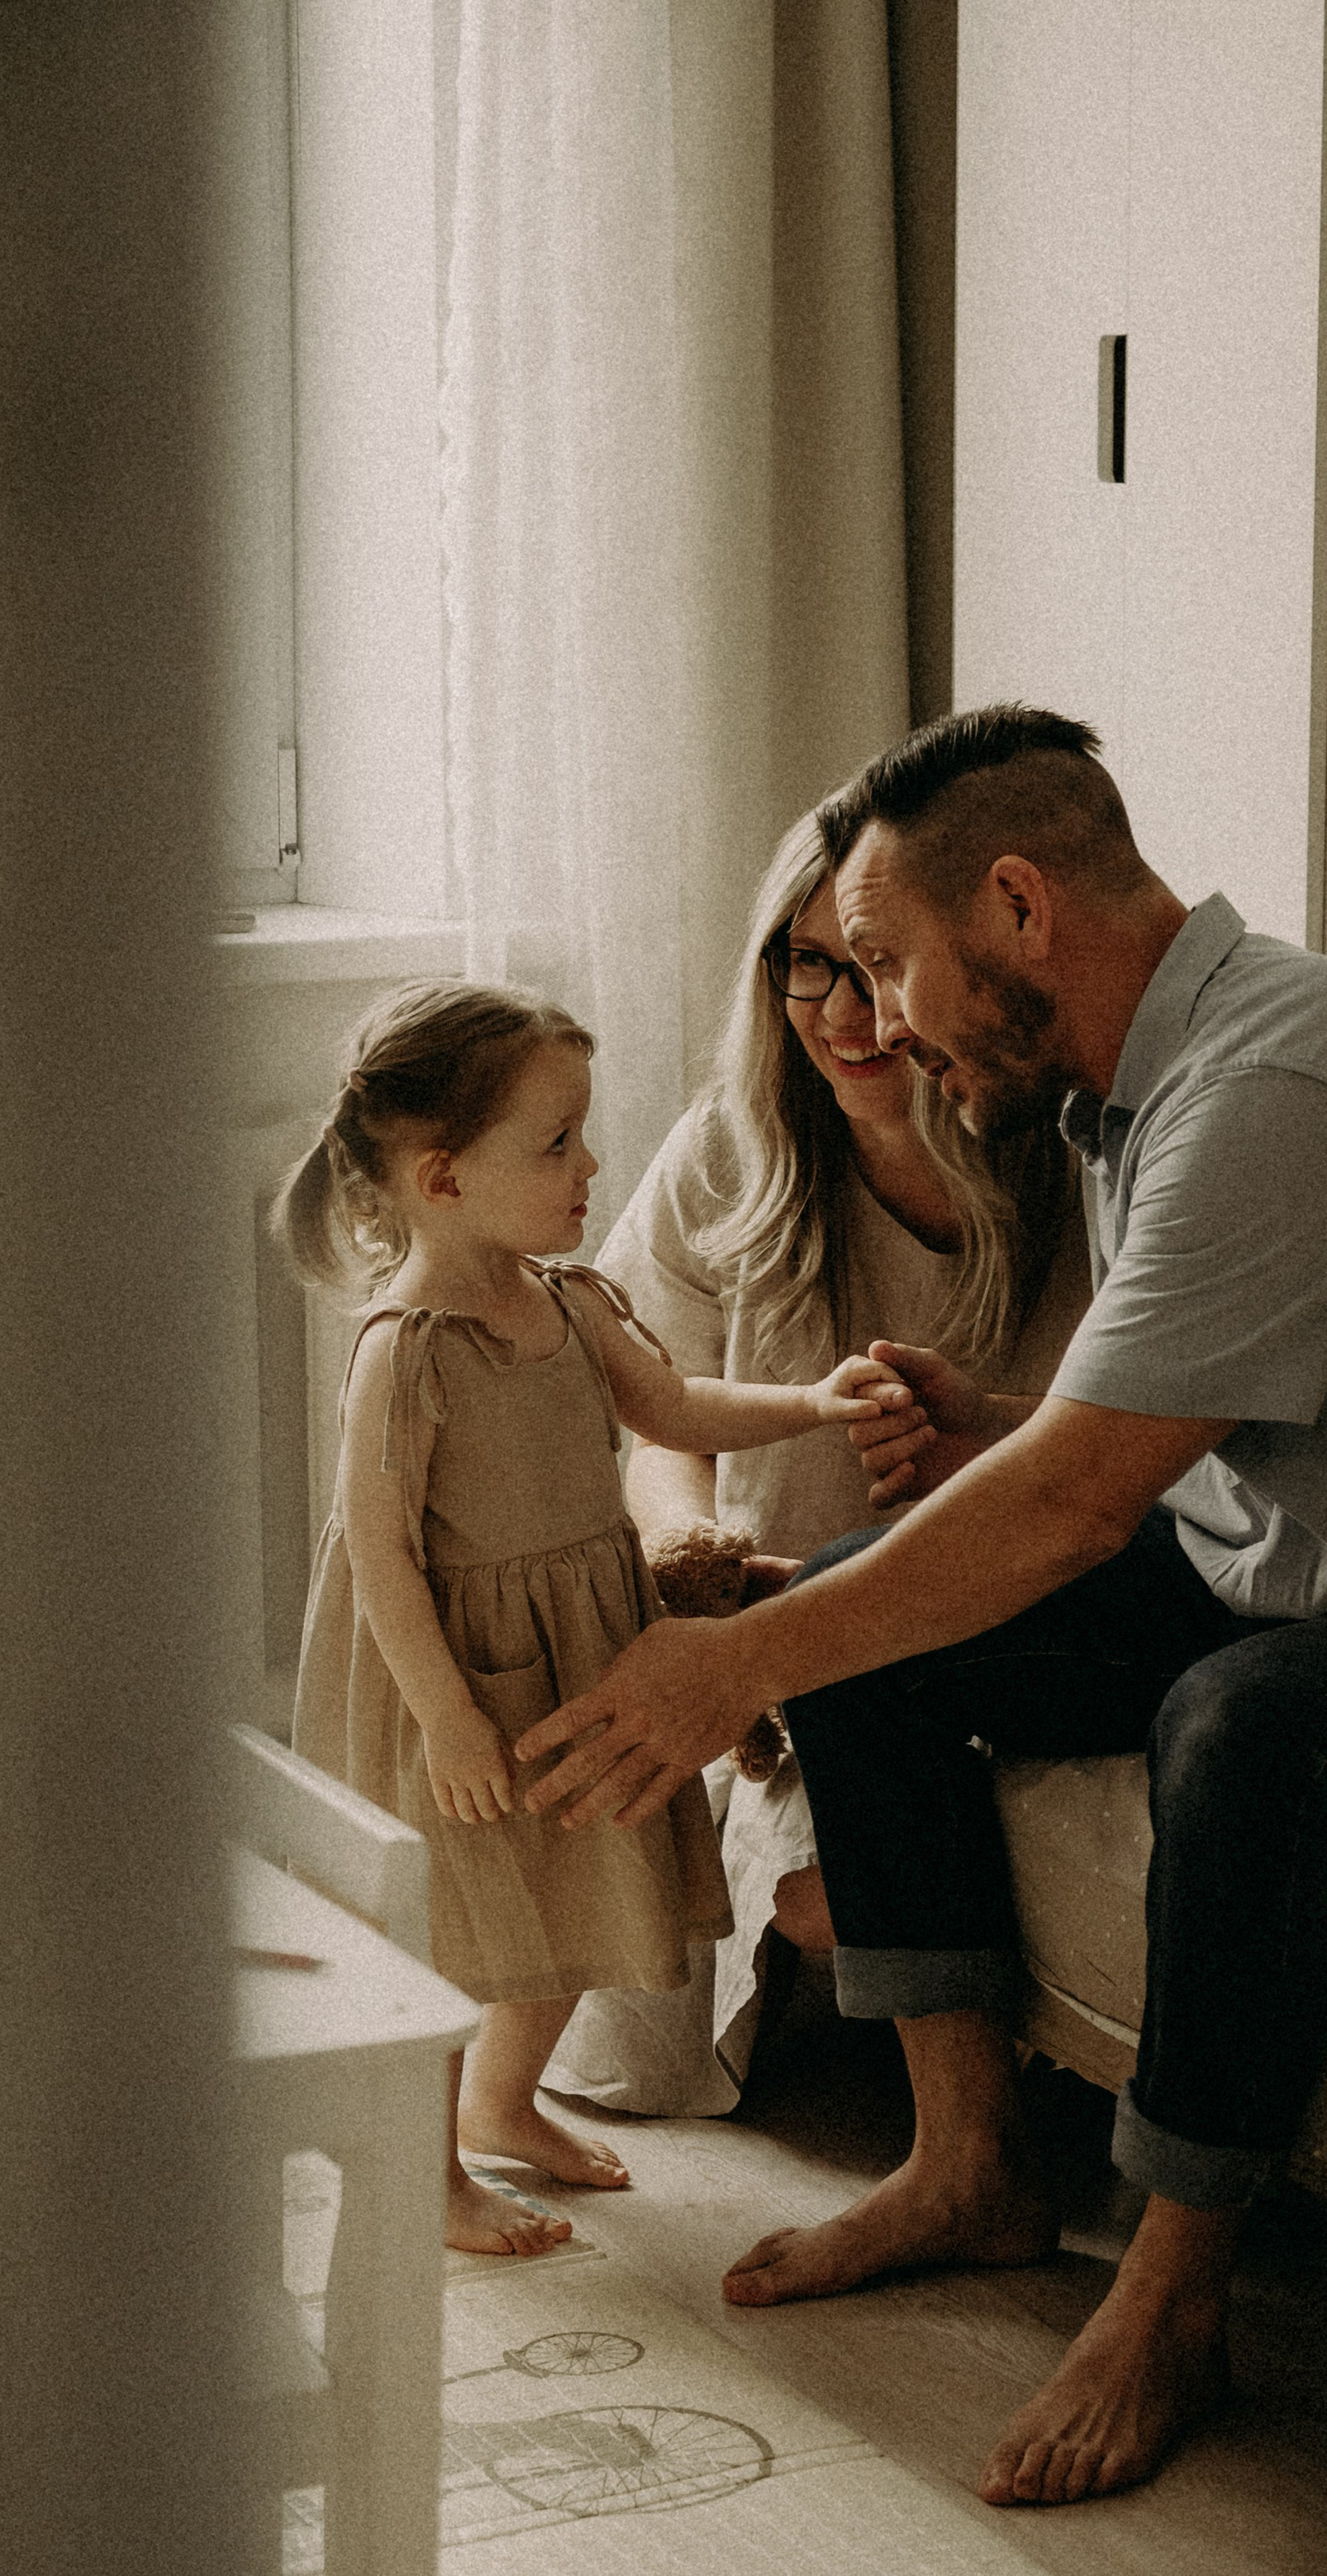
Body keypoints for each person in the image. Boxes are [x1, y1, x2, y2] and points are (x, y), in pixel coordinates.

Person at [515, 704, 1327, 2491]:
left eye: (887, 960)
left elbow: (1070, 1514)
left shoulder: (1271, 1085)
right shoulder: (1138, 1083)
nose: (874, 1017)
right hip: (1278, 1548)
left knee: (1232, 1726)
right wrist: (1007, 1425)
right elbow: (1186, 1418)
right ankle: (967, 2162)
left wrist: (724, 1663)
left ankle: (1175, 2290)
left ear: (1020, 909)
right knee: (861, 1617)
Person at [272, 978, 912, 2256]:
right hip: (452, 1676)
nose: (591, 1163)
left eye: (582, 1134)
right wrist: (448, 1719)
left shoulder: (570, 1303)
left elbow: (676, 1411)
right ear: (444, 1180)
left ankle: (506, 2103)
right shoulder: (407, 1348)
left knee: (570, 1887)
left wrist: (814, 1405)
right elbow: (388, 1558)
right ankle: (427, 2164)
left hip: (574, 1651)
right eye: (555, 1142)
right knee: (462, 1924)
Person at [546, 808, 1089, 2121]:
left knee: (830, 1892)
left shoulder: (1063, 1156)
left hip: (960, 1618)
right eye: (808, 969)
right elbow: (644, 1418)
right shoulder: (733, 1148)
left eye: (875, 968)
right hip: (765, 1630)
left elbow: (1093, 1470)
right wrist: (700, 1566)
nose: (845, 1013)